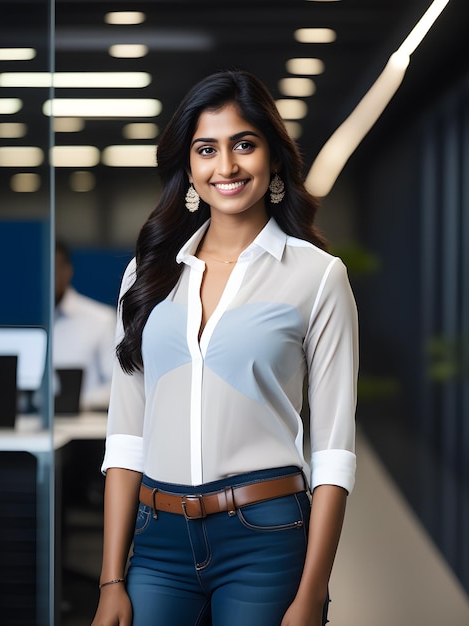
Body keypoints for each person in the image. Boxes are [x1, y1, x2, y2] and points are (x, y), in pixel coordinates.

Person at [92, 69, 359, 626]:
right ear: (189, 167)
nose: (227, 166)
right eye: (206, 149)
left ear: (274, 157)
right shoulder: (147, 275)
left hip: (265, 536)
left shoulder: (317, 277)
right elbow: (125, 437)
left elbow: (333, 454)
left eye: (244, 144)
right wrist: (111, 579)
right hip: (157, 539)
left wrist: (312, 594)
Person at [54, 240, 117, 411]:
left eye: (55, 268)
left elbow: (117, 385)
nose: (49, 275)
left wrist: (72, 401)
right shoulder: (31, 320)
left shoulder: (100, 319)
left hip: (83, 429)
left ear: (67, 271)